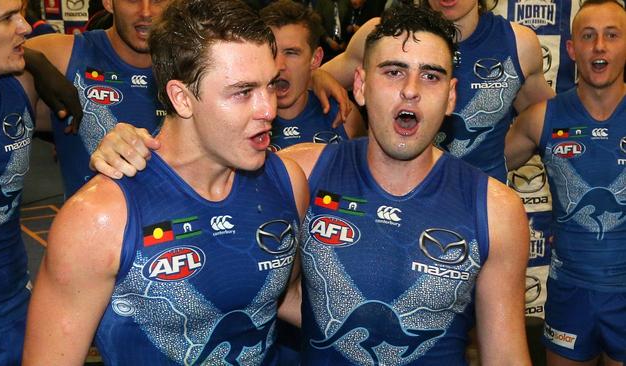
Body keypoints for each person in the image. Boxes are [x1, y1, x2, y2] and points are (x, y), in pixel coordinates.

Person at [91, 4, 532, 364]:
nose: (411, 91)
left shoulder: (496, 208)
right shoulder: (297, 173)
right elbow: (204, 163)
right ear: (360, 85)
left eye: (431, 76)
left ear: (452, 96)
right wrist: (131, 144)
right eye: (393, 72)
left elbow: (506, 355)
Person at [22, 0, 309, 364]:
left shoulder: (287, 181)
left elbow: (286, 297)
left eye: (269, 86)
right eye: (242, 92)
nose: (269, 108)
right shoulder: (100, 218)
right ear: (181, 98)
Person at [504, 1, 626, 365]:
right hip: (569, 295)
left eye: (612, 35)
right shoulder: (541, 118)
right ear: (572, 49)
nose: (599, 46)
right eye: (588, 36)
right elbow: (479, 175)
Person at [318, 0, 555, 182]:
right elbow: (310, 82)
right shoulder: (382, 36)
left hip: (480, 210)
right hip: (393, 204)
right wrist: (319, 78)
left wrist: (497, 159)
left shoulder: (517, 43)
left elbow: (549, 121)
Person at [23, 0, 171, 199]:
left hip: (177, 224)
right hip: (91, 224)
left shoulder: (194, 63)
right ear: (109, 3)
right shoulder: (63, 55)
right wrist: (31, 58)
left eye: (158, 0)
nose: (145, 12)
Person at [0, 0, 40, 364]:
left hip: (16, 306)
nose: (25, 26)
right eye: (7, 18)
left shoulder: (23, 86)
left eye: (22, 12)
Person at [260, 0, 366, 152]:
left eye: (291, 53)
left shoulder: (343, 117)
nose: (279, 65)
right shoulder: (240, 121)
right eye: (271, 52)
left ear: (315, 59)